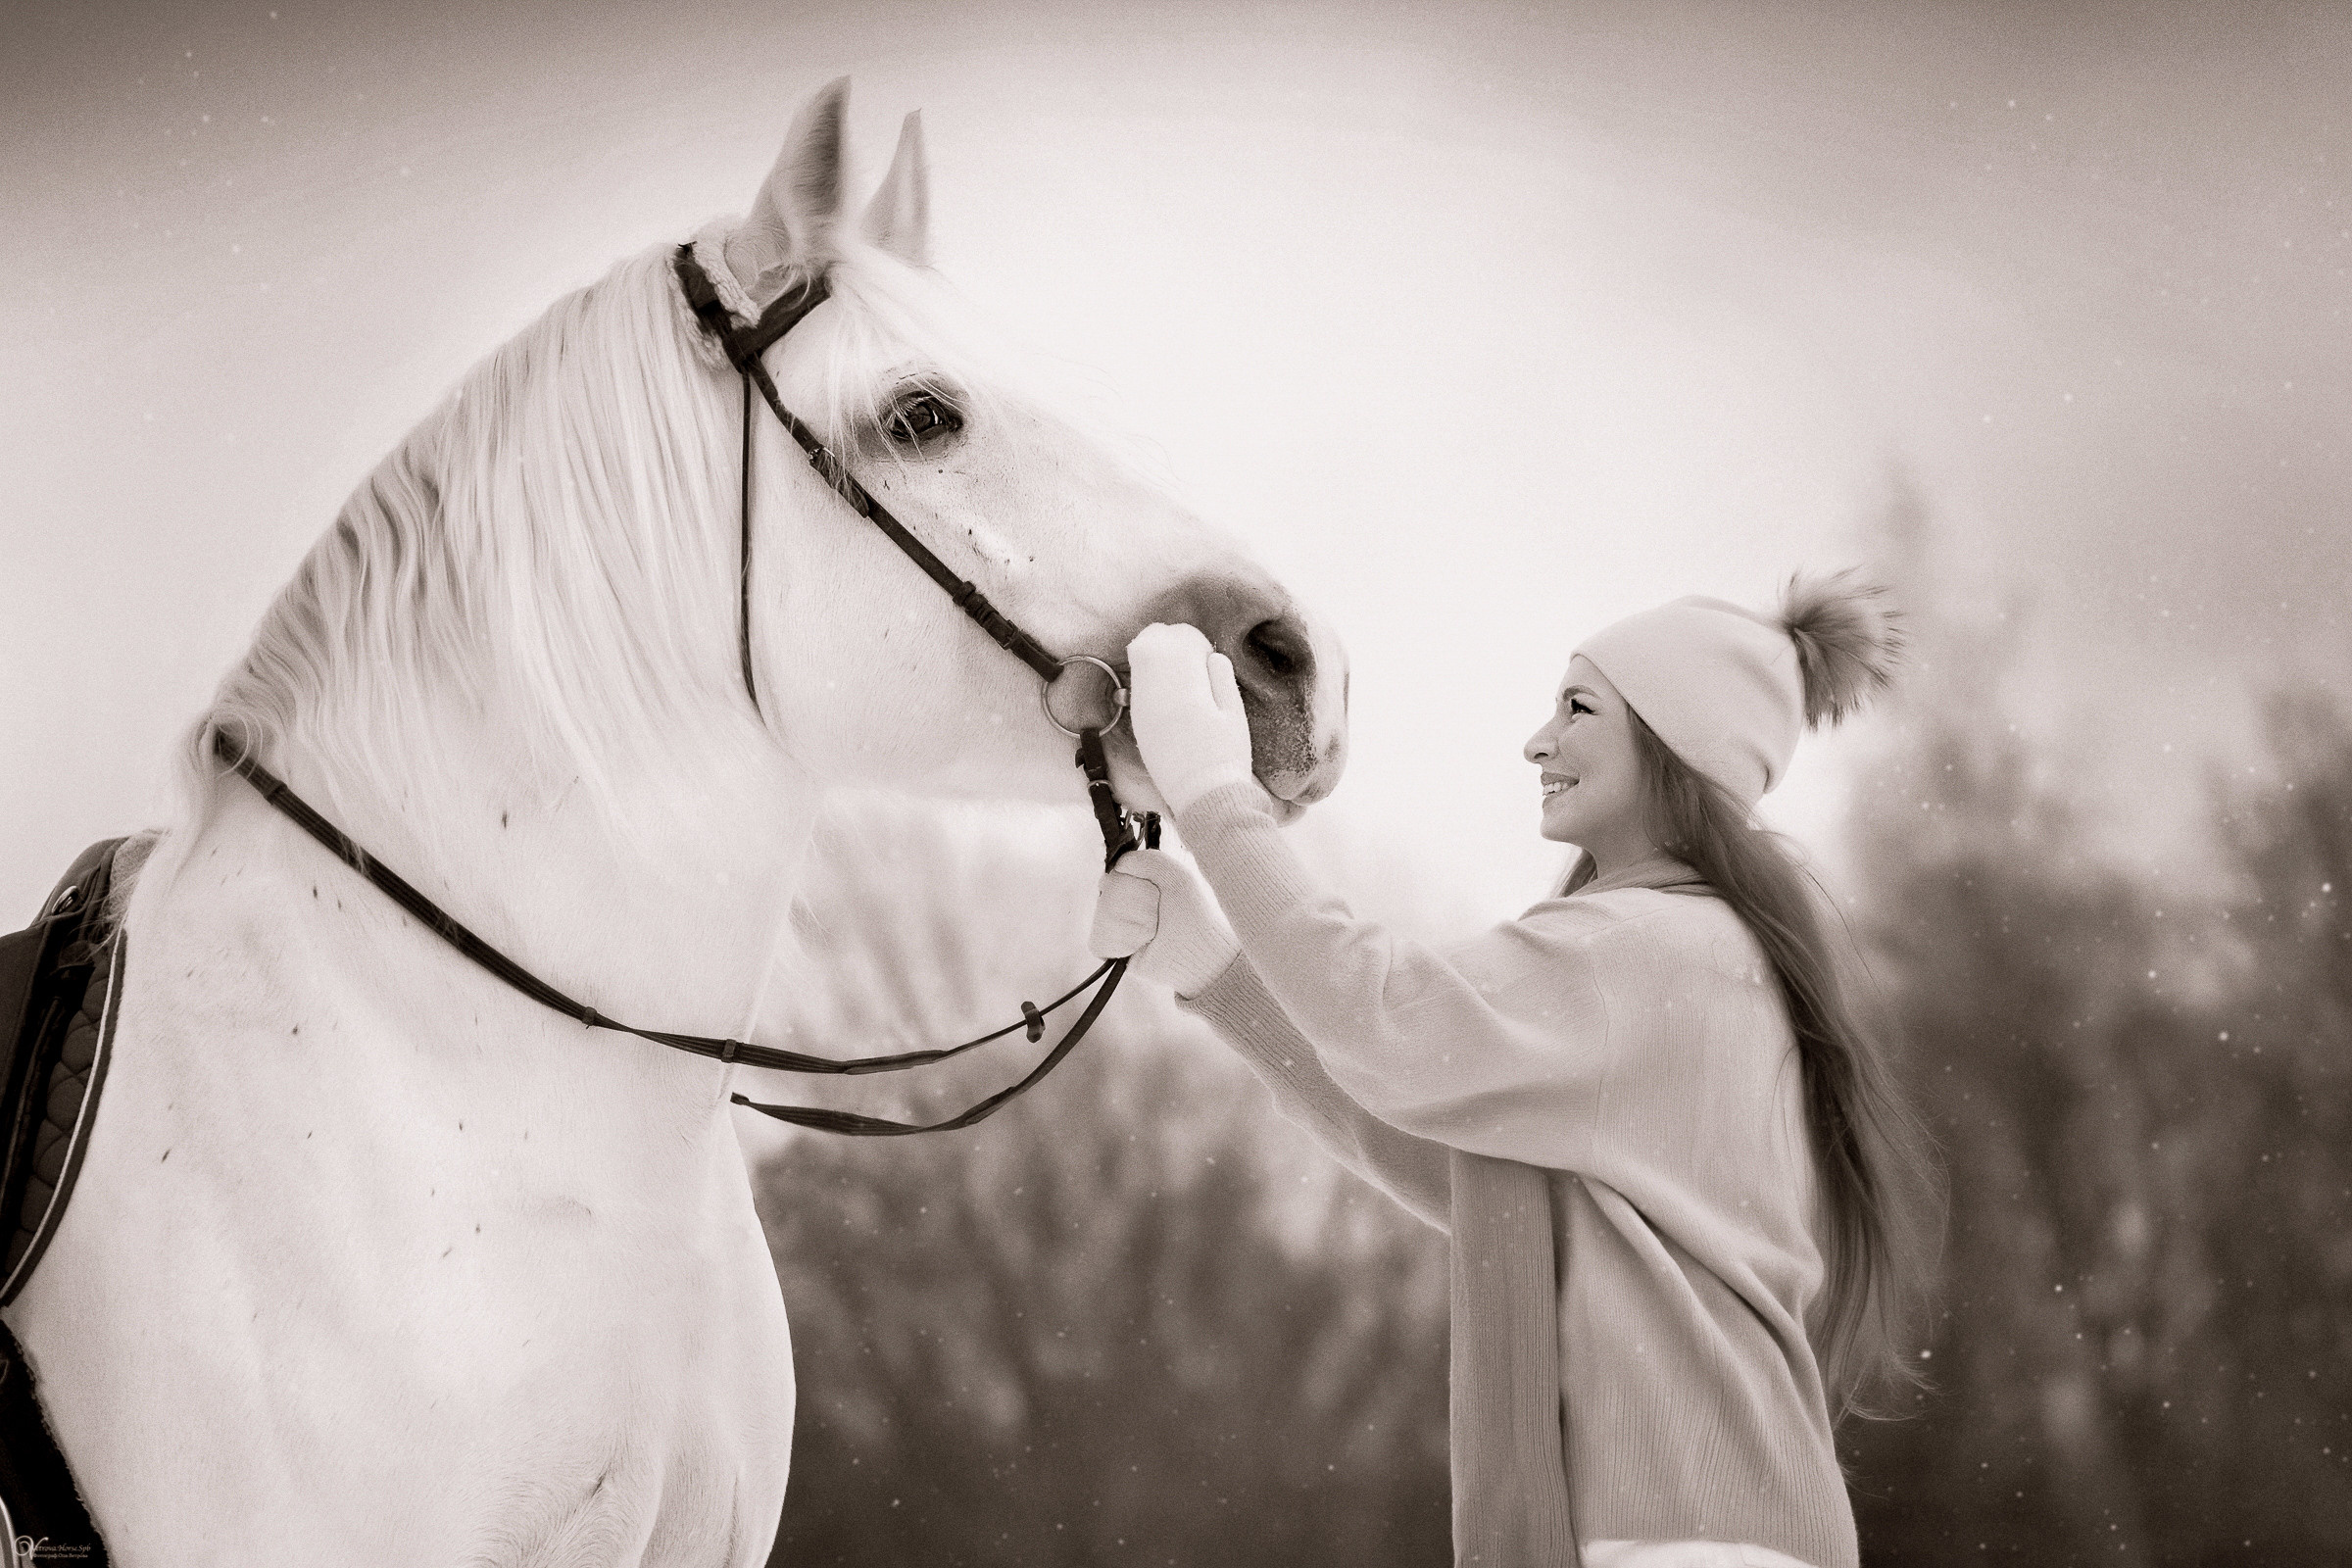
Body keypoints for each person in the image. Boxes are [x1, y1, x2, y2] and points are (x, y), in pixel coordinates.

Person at [1091, 571, 1936, 1568]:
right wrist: (1223, 978)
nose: (1538, 741)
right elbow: (1449, 1163)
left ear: (1675, 746)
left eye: (1579, 708)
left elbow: (1383, 1014)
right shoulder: (1683, 958)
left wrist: (1214, 795)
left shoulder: (1659, 946)